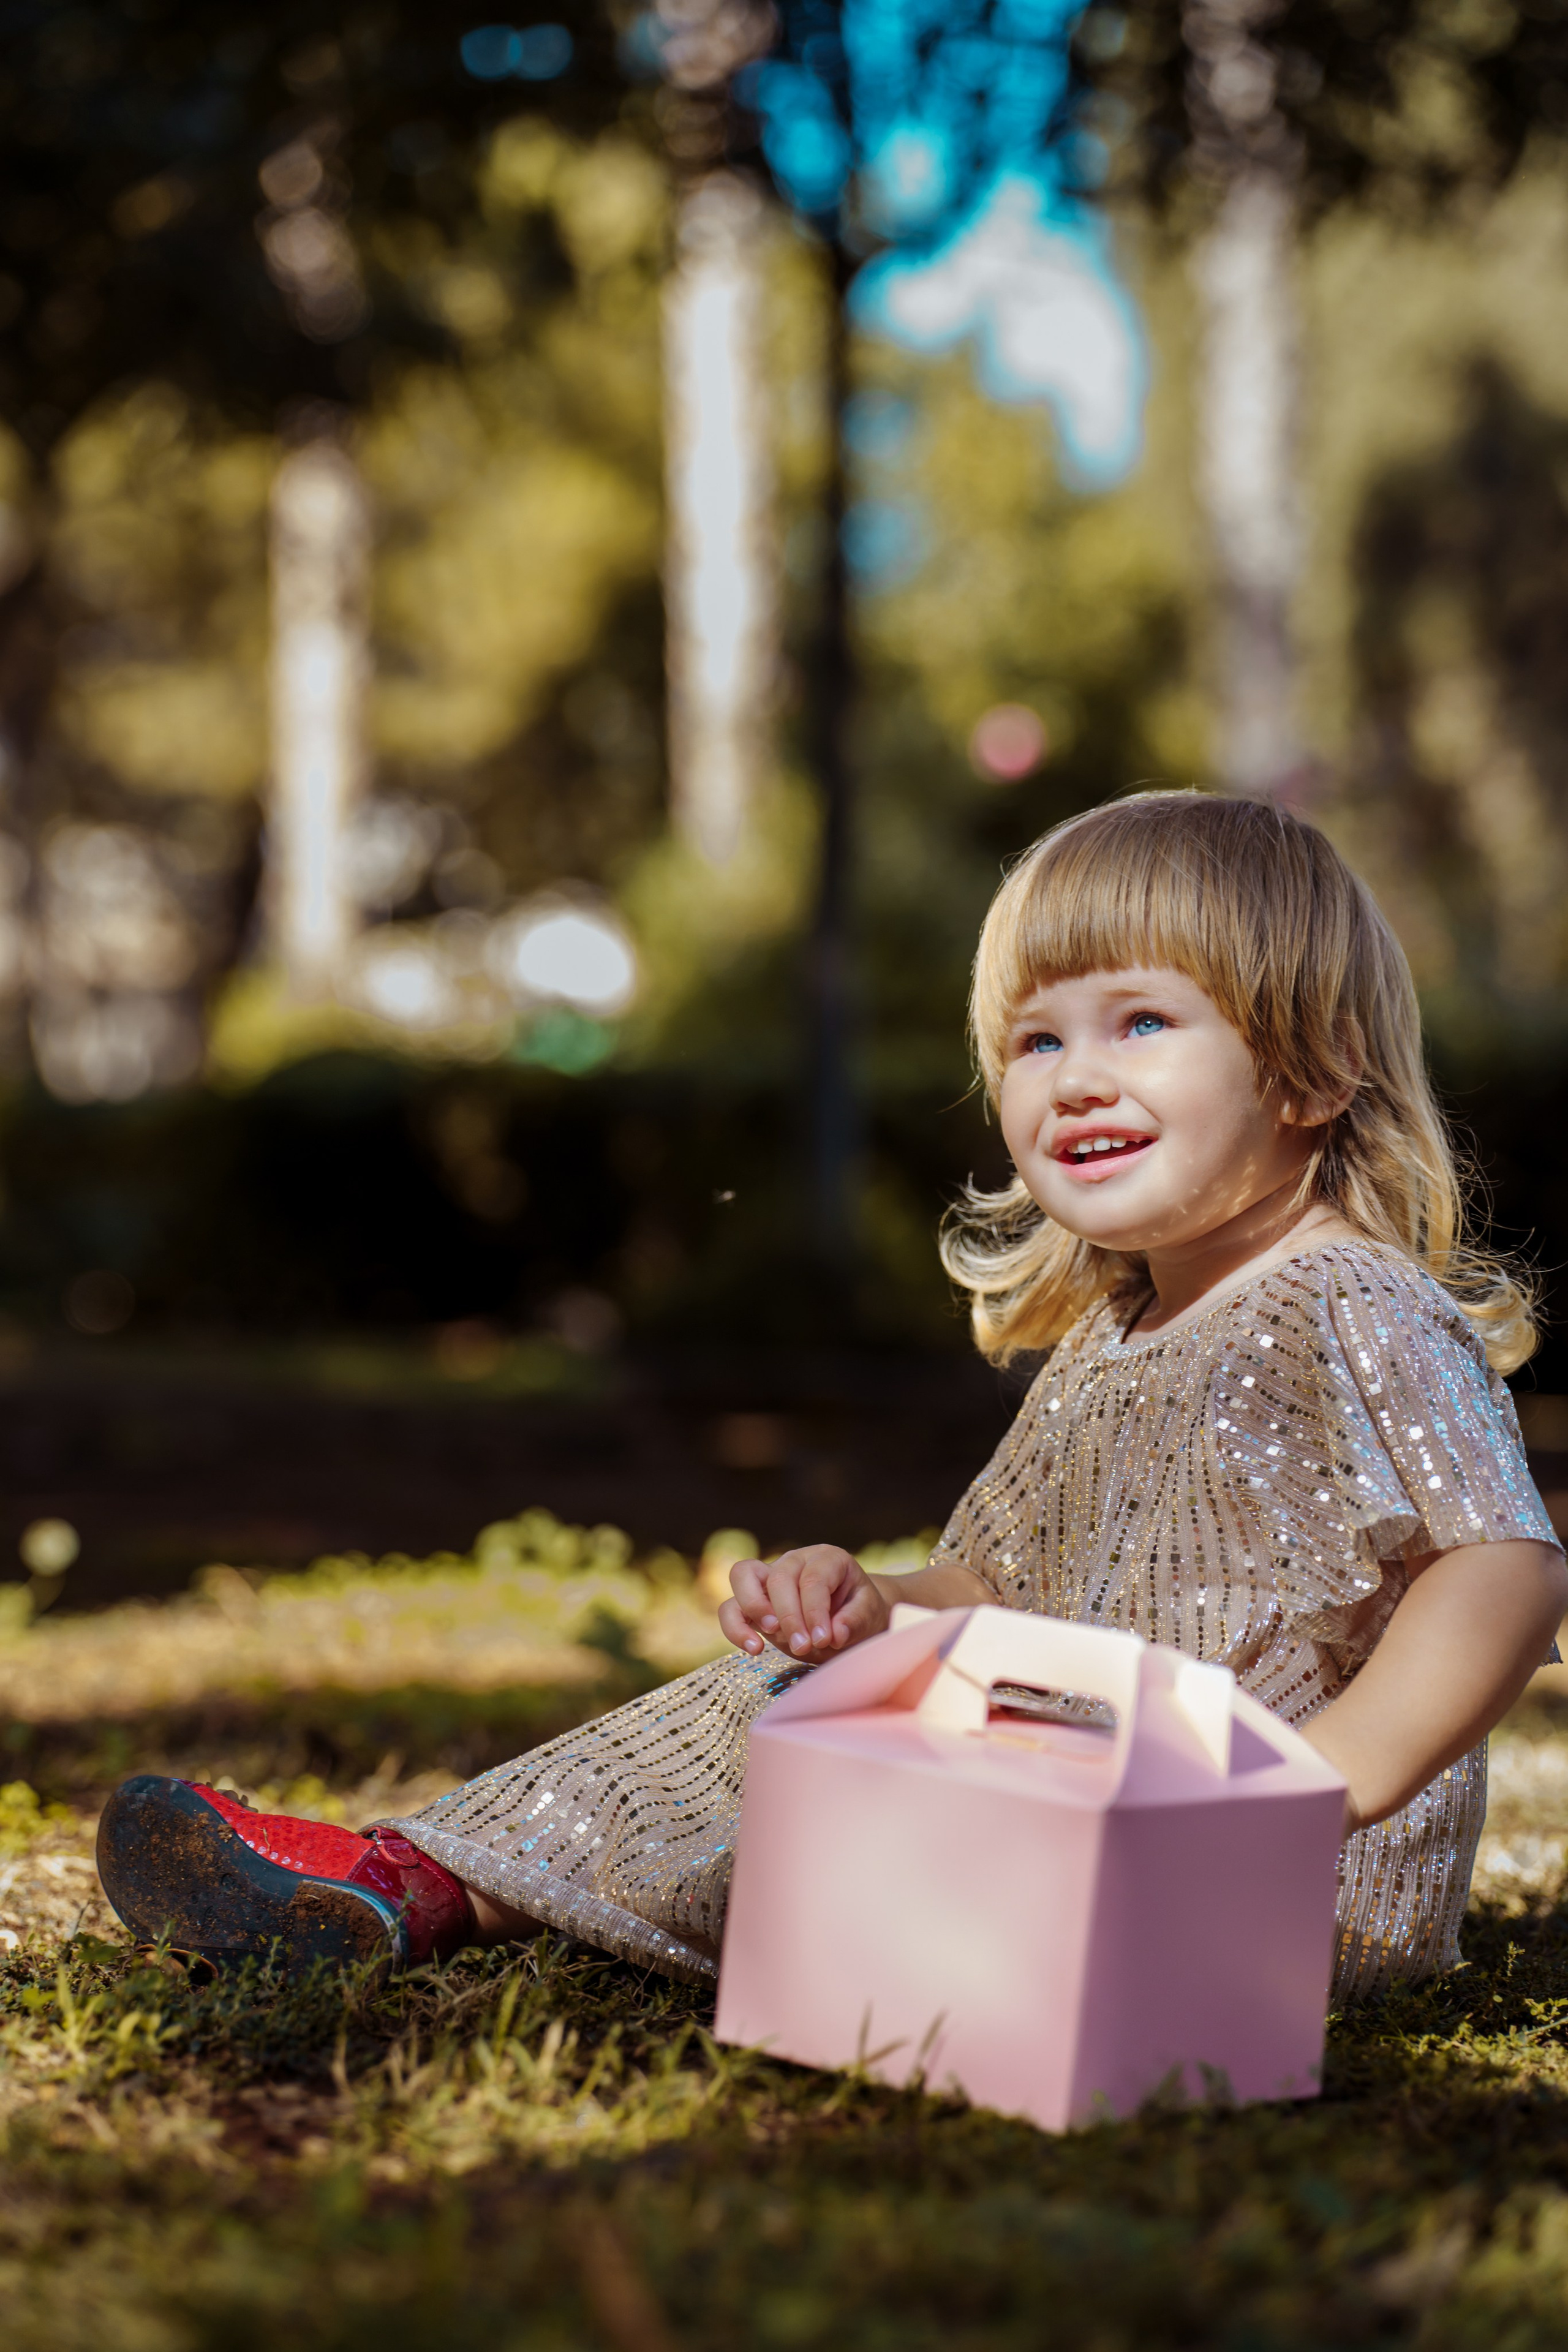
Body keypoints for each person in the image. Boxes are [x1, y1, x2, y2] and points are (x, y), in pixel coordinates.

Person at [99, 792, 1567, 2005]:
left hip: (1286, 1899)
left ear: (1307, 1067)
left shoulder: (1345, 1300)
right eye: (1034, 1041)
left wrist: (1320, 1784)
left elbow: (1500, 1562)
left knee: (829, 1780)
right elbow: (996, 1580)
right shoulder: (1117, 1335)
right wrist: (871, 1605)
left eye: (1138, 1024)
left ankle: (422, 1888)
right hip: (1098, 1812)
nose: (1071, 1078)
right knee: (803, 1704)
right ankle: (418, 1889)